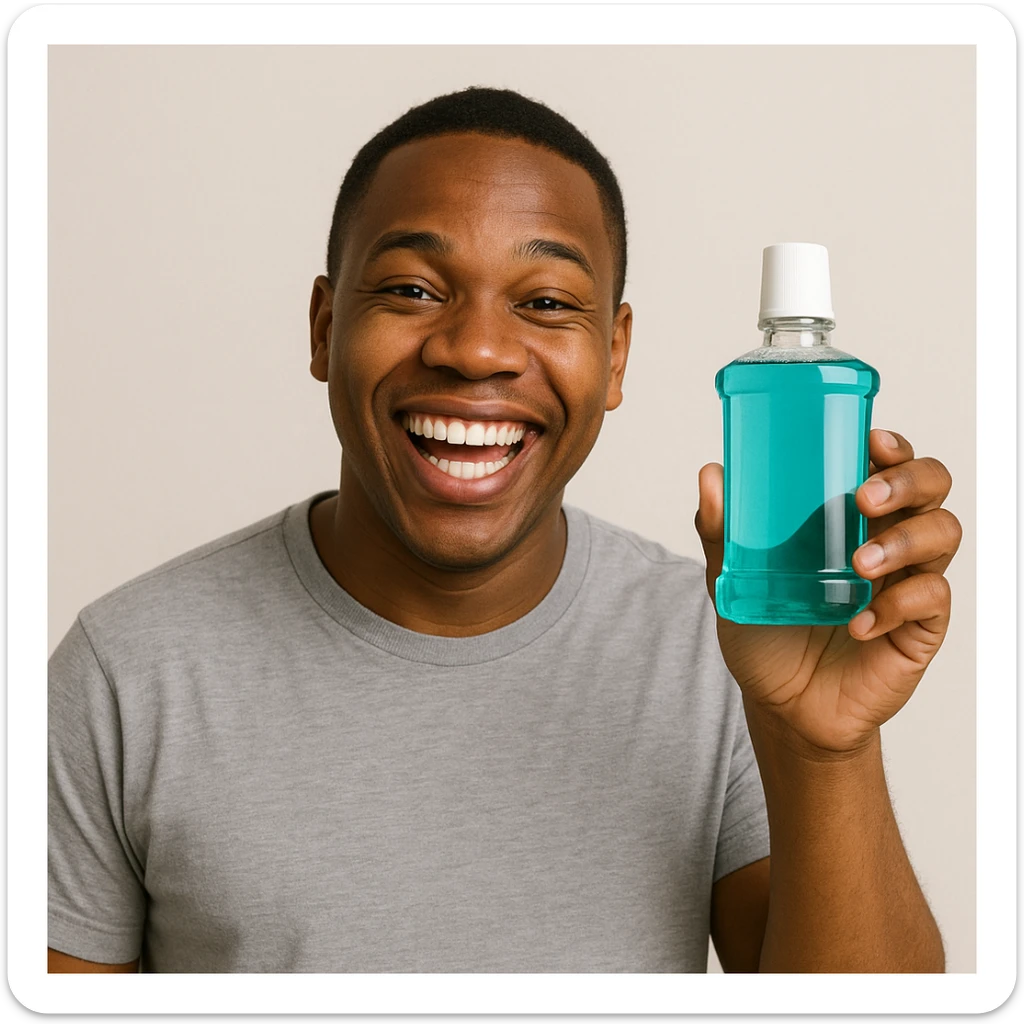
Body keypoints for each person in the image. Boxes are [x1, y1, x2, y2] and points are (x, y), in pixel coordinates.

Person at [48, 87, 959, 974]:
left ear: (615, 355)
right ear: (325, 327)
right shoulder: (126, 672)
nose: (476, 349)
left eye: (548, 302)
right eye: (411, 287)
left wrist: (824, 748)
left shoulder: (720, 643)